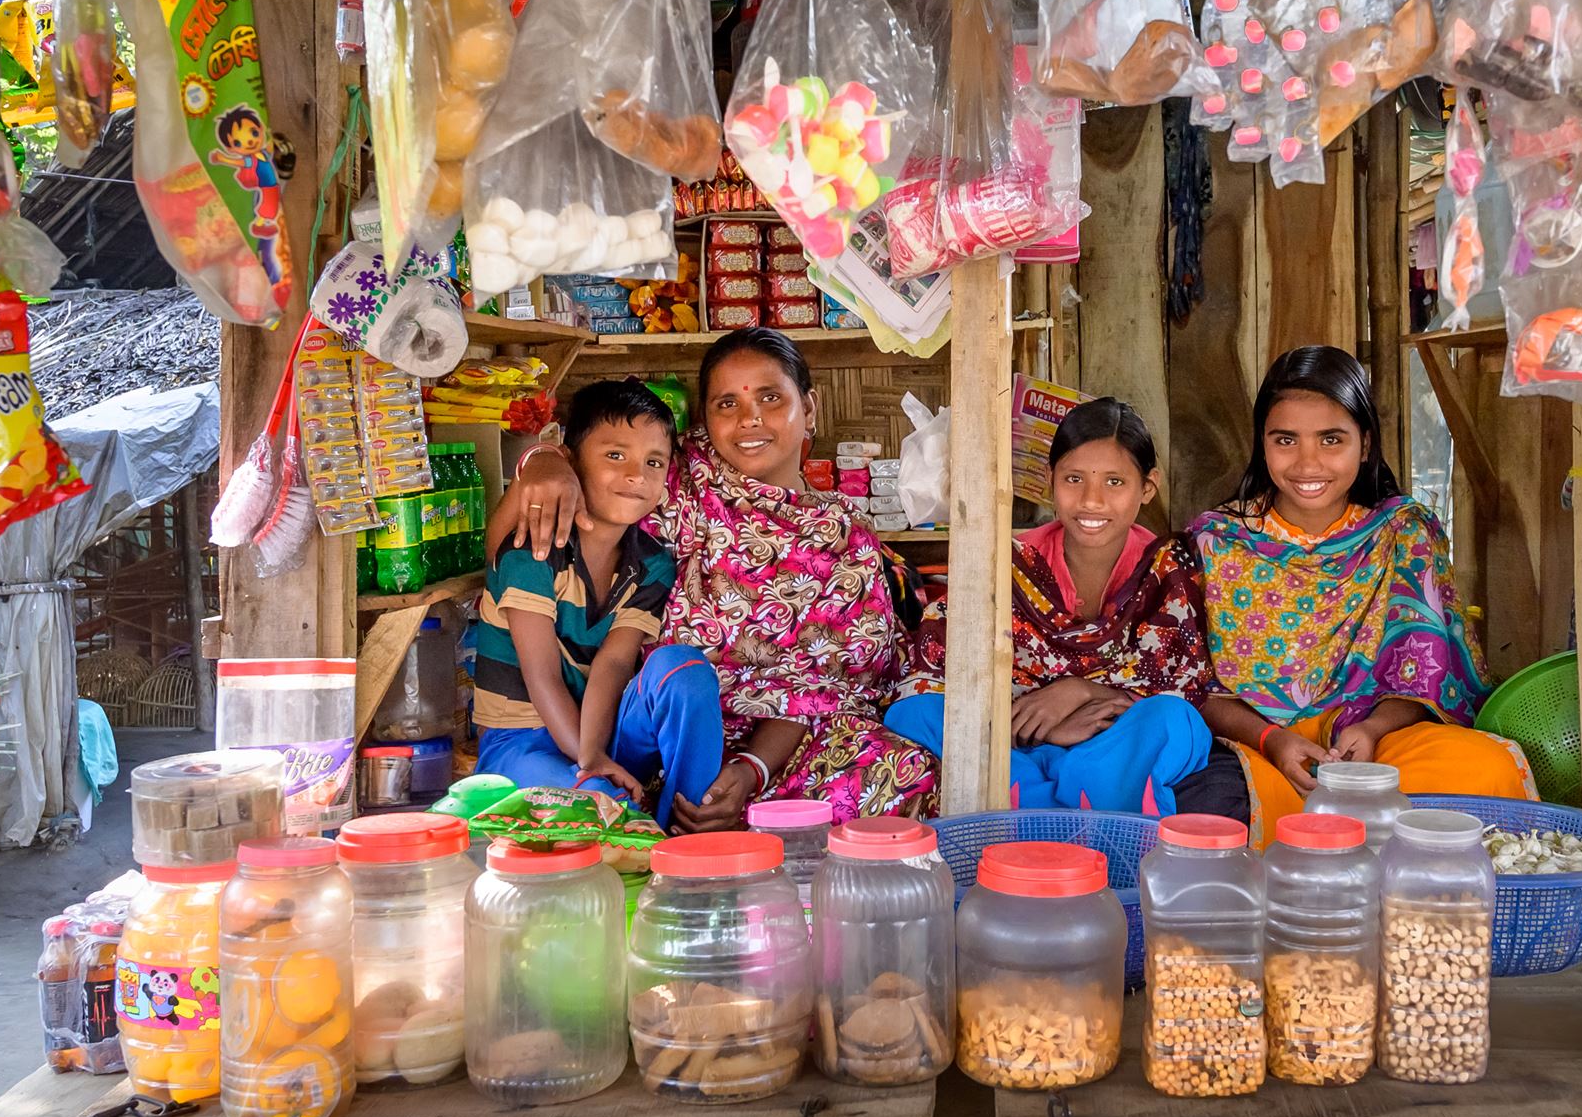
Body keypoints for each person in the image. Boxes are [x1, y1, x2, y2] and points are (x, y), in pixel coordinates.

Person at [492, 326, 936, 825]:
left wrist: (749, 770)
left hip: (784, 751)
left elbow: (827, 691)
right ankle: (681, 828)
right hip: (655, 733)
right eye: (727, 404)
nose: (750, 419)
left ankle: (749, 843)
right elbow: (576, 481)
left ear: (808, 408)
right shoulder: (675, 477)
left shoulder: (846, 540)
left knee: (907, 769)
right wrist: (543, 462)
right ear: (704, 419)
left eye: (771, 398)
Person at [1190, 344, 1537, 837]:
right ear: (1261, 443)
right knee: (1218, 808)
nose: (1308, 463)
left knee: (1486, 770)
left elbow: (1425, 676)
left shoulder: (1402, 532)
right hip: (1256, 746)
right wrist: (1273, 740)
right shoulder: (1216, 542)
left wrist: (1373, 729)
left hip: (1371, 738)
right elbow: (1193, 684)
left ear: (1366, 442)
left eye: (1331, 440)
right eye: (1286, 440)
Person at [890, 397, 1240, 817]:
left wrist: (1081, 691)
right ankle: (1077, 808)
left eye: (1115, 482)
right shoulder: (1008, 564)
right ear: (1050, 479)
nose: (1092, 501)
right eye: (1074, 479)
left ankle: (1030, 808)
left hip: (1110, 739)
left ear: (1147, 487)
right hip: (1016, 737)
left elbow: (1186, 686)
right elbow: (937, 670)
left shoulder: (1167, 569)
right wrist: (1048, 729)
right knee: (912, 713)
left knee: (1176, 721)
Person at [466, 378, 723, 826]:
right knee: (598, 807)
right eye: (615, 455)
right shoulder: (532, 548)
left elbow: (615, 663)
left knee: (686, 670)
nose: (636, 475)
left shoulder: (653, 563)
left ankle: (689, 819)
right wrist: (590, 762)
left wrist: (594, 752)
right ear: (569, 461)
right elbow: (542, 674)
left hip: (597, 731)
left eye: (654, 462)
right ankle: (633, 824)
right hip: (520, 741)